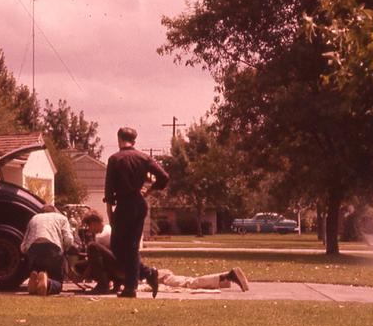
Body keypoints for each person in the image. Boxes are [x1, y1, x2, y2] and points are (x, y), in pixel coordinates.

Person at [76, 212, 249, 294]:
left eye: (89, 226)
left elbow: (104, 263)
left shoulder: (104, 235)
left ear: (95, 222)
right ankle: (225, 277)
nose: (89, 230)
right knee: (187, 282)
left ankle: (228, 275)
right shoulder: (109, 231)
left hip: (146, 275)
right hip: (144, 272)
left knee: (189, 283)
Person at [105, 127, 169, 298]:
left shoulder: (114, 159)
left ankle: (133, 285)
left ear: (119, 139)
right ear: (134, 141)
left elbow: (109, 190)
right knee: (131, 246)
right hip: (139, 204)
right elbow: (164, 177)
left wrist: (110, 213)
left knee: (118, 247)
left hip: (124, 204)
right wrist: (149, 191)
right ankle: (146, 274)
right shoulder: (144, 158)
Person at [21, 204, 76, 296]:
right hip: (52, 248)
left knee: (38, 268)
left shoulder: (34, 218)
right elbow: (69, 239)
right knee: (57, 281)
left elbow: (24, 245)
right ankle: (48, 282)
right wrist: (65, 249)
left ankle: (36, 277)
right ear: (54, 211)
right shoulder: (61, 218)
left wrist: (26, 252)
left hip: (34, 249)